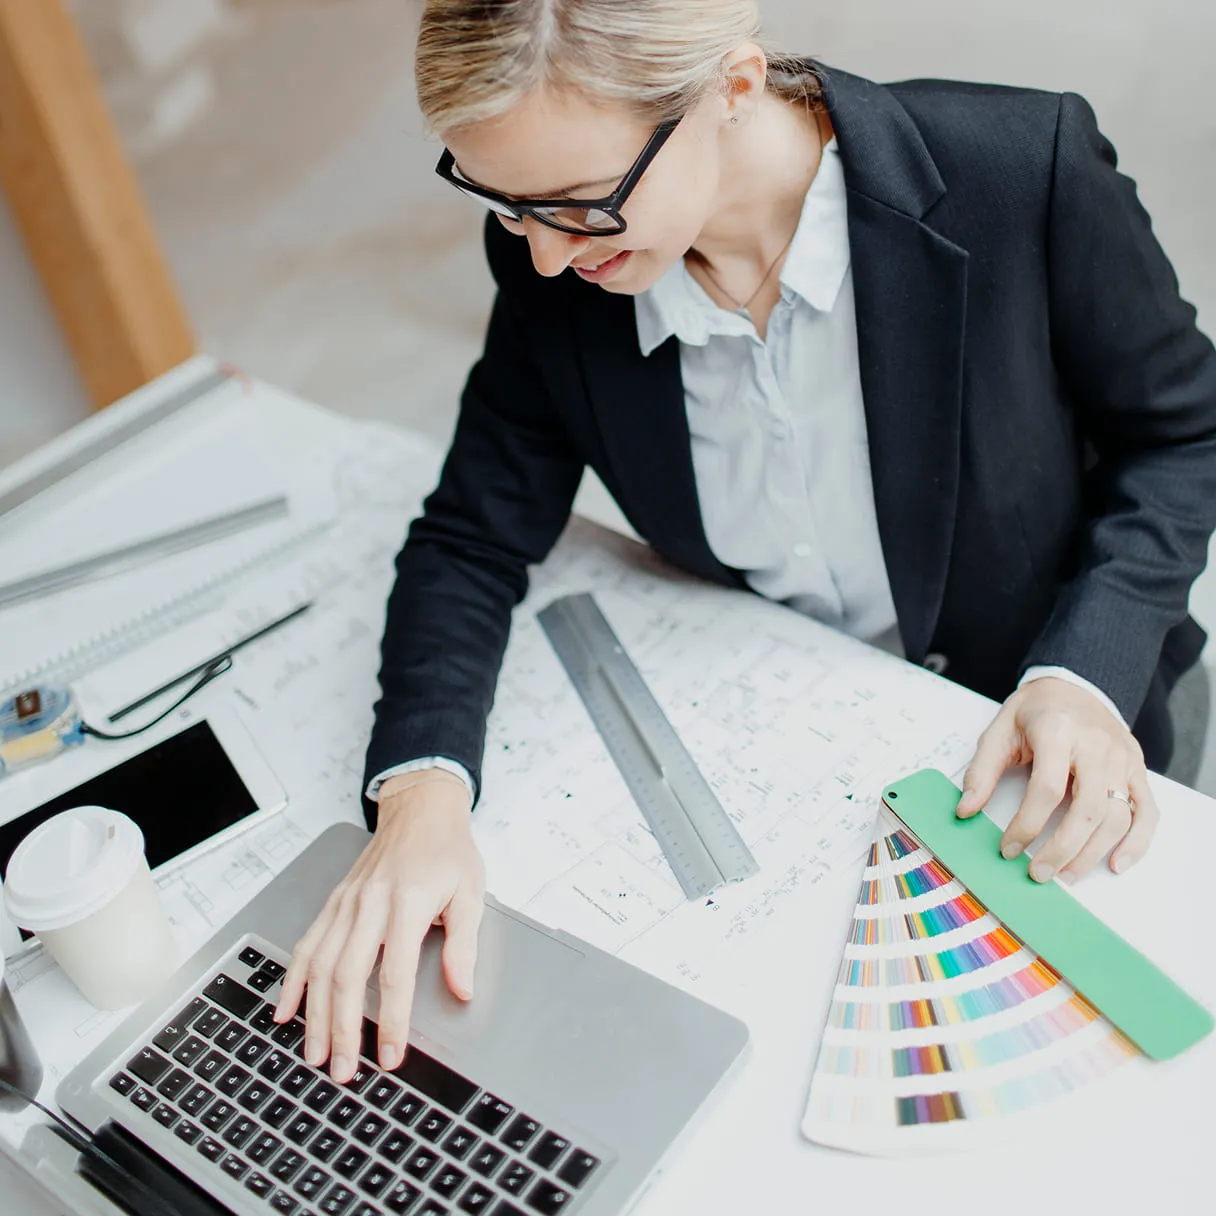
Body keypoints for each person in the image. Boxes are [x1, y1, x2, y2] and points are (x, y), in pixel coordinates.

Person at [274, 0, 1216, 1083]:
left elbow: (1183, 433)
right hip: (796, 762)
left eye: (576, 206)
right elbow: (470, 538)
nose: (536, 257)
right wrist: (421, 795)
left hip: (1026, 748)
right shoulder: (562, 267)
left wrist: (1082, 675)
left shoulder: (1019, 169)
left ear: (731, 87)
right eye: (502, 204)